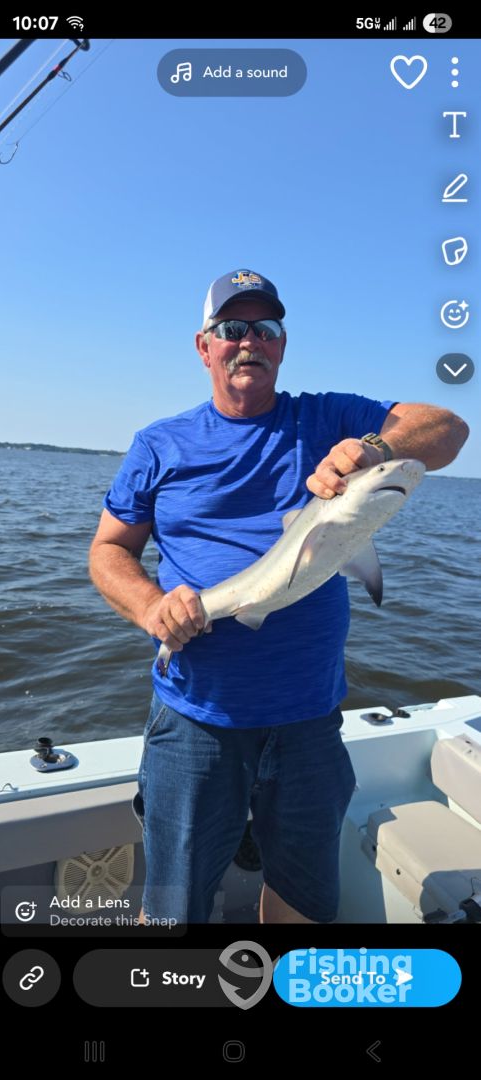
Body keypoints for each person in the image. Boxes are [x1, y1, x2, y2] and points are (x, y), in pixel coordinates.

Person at [89, 268, 469, 925]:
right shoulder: (159, 443)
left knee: (303, 906)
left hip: (310, 723)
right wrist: (152, 607)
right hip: (195, 720)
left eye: (265, 329)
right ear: (204, 346)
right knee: (173, 911)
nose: (249, 342)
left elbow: (448, 428)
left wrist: (374, 449)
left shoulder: (327, 418)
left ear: (282, 346)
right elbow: (108, 550)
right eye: (232, 328)